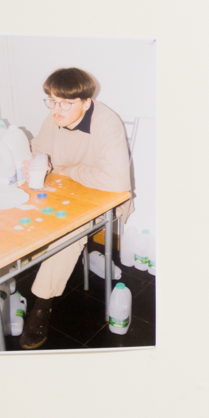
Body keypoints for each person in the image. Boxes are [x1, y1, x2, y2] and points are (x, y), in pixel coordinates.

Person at [18, 67, 133, 350]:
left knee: (69, 232)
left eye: (65, 104)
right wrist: (38, 160)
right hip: (66, 187)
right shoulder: (56, 115)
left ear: (86, 102)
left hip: (103, 196)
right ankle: (18, 269)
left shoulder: (107, 123)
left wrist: (69, 171)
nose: (56, 110)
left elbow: (117, 182)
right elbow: (38, 148)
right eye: (51, 101)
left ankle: (42, 305)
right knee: (21, 204)